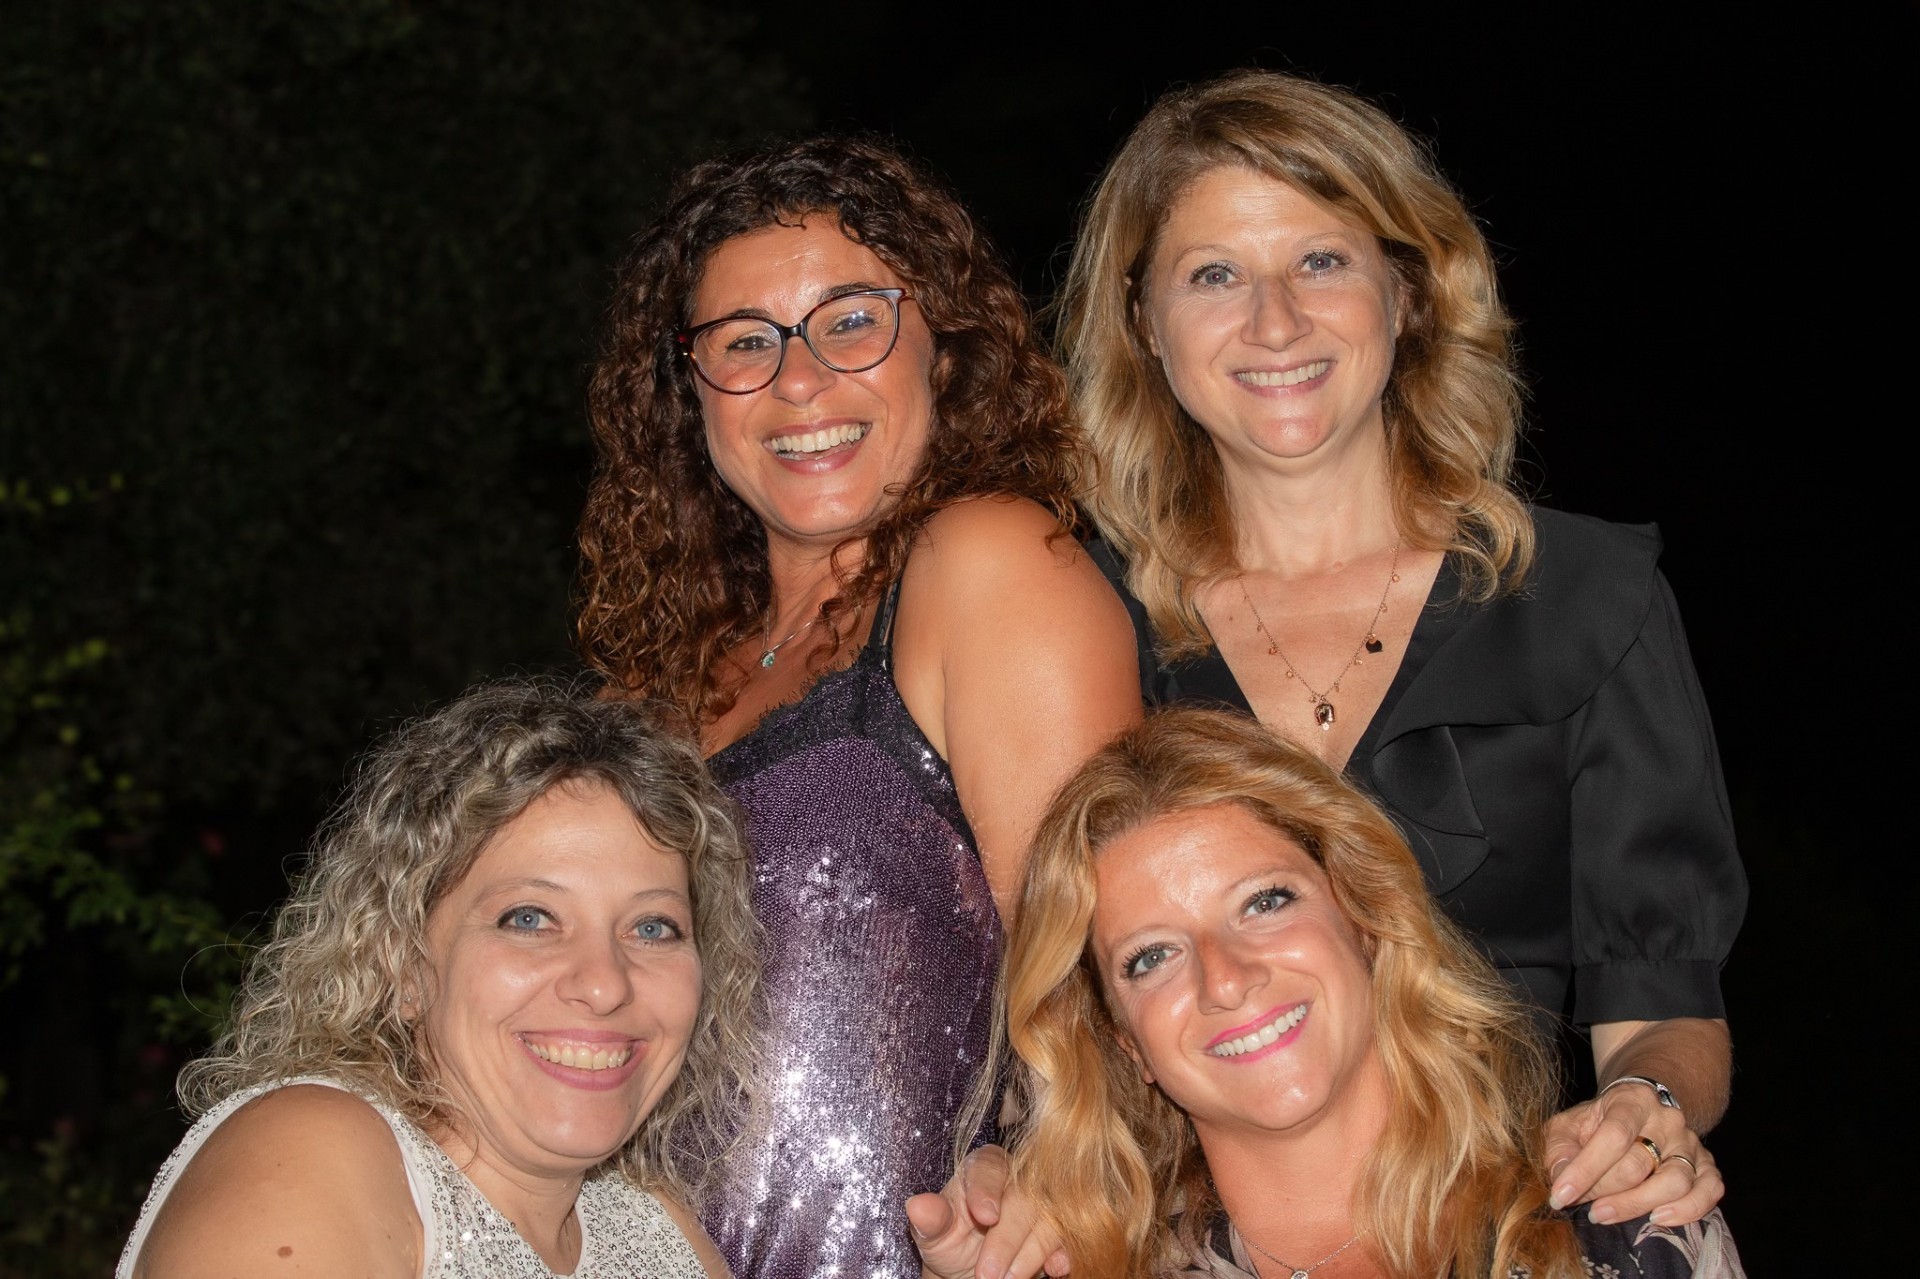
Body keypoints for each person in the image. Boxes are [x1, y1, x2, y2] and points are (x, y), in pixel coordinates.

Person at [1058, 69, 1744, 1220]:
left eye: (1321, 260)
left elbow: (1665, 1004)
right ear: (1142, 324)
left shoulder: (1586, 600)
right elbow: (1045, 1004)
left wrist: (1645, 1106)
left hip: (1510, 1217)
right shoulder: (1082, 621)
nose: (1275, 321)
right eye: (1215, 274)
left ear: (1408, 291)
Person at [576, 136, 1140, 1277]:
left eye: (850, 322)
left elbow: (1107, 962)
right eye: (745, 342)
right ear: (690, 390)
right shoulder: (643, 688)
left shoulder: (985, 566)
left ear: (942, 344)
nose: (798, 380)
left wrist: (1047, 1177)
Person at [915, 709, 1743, 1278]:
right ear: (1127, 1042)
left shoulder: (1626, 1224)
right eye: (1151, 956)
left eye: (1264, 902)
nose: (1225, 976)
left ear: (1365, 917)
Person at [116, 681, 760, 1278]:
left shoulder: (657, 1232)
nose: (605, 985)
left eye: (653, 928)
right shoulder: (312, 1151)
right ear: (402, 963)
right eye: (529, 918)